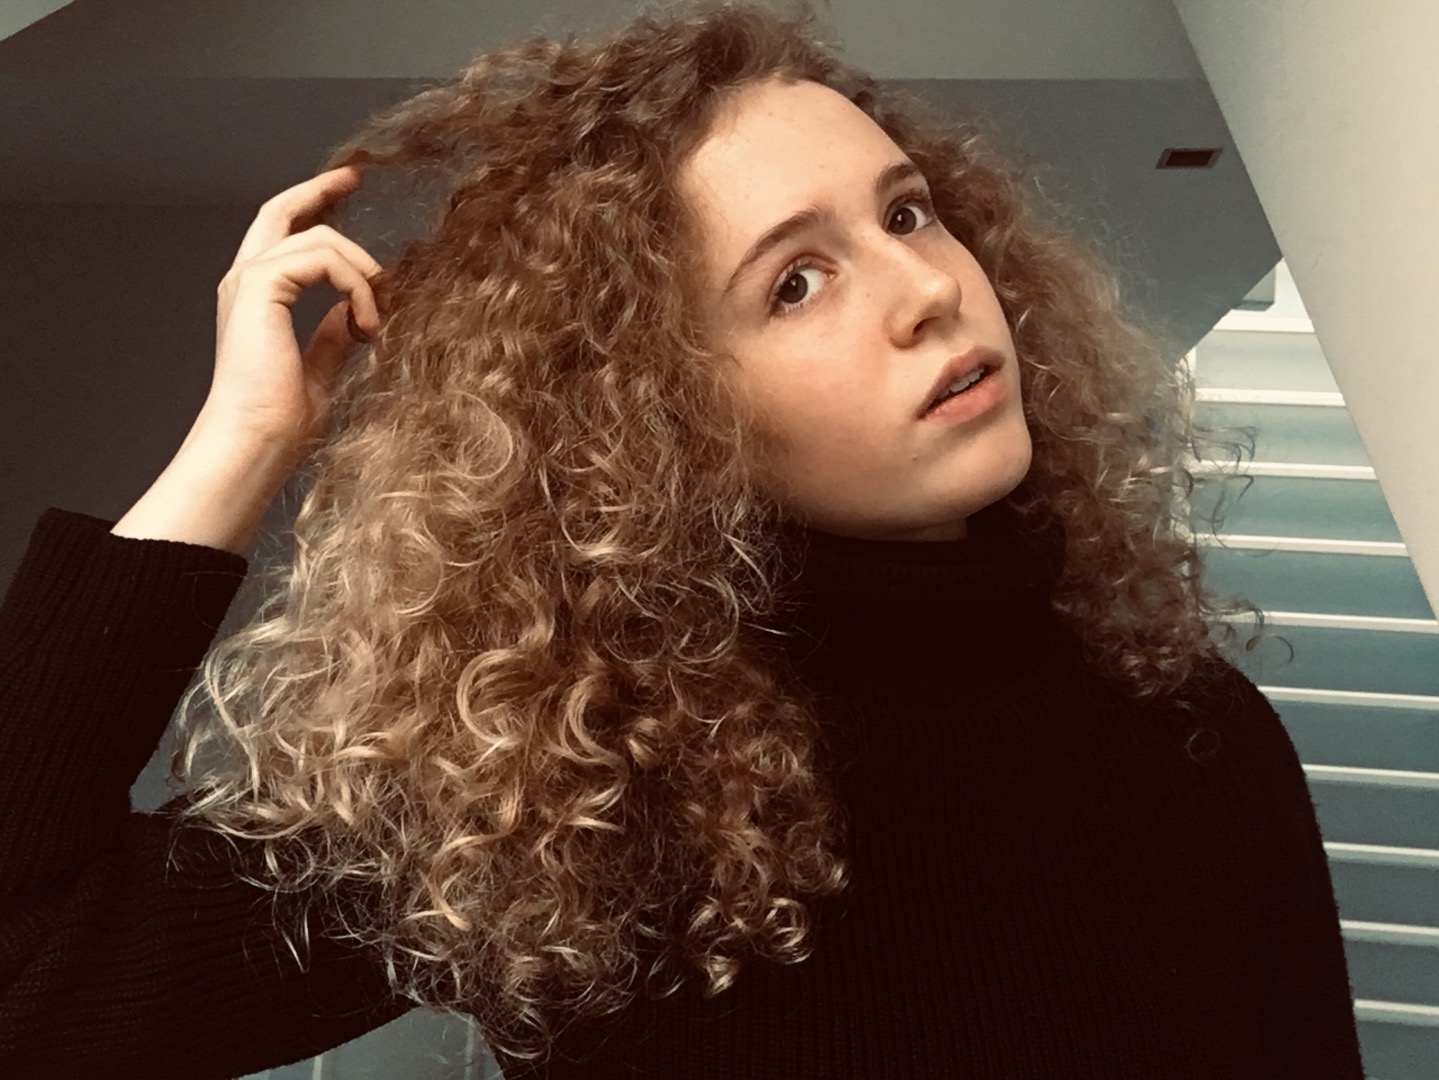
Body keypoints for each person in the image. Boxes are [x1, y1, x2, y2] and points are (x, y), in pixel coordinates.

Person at [0, 1, 1367, 1077]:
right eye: (795, 282)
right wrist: (244, 440)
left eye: (907, 212)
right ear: (659, 414)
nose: (927, 289)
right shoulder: (571, 798)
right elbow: (28, 981)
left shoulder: (1204, 737)